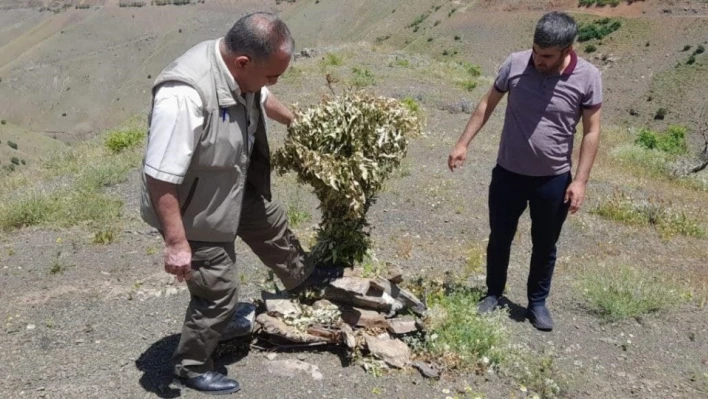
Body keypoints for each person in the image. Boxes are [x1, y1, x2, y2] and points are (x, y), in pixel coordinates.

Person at [139, 12, 341, 395]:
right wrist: (177, 243)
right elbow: (160, 177)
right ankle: (192, 364)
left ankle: (303, 280)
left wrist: (299, 123)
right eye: (271, 75)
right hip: (191, 209)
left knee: (272, 225)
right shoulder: (184, 95)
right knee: (218, 289)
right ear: (243, 63)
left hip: (230, 183)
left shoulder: (241, 69)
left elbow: (262, 96)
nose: (273, 83)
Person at [448, 11, 602, 332]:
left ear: (567, 50)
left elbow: (591, 131)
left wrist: (581, 181)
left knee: (545, 244)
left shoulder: (588, 77)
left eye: (546, 55)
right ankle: (493, 294)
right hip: (508, 174)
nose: (538, 59)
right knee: (500, 237)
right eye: (535, 50)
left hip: (554, 180)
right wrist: (463, 143)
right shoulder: (516, 63)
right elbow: (486, 104)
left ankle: (537, 303)